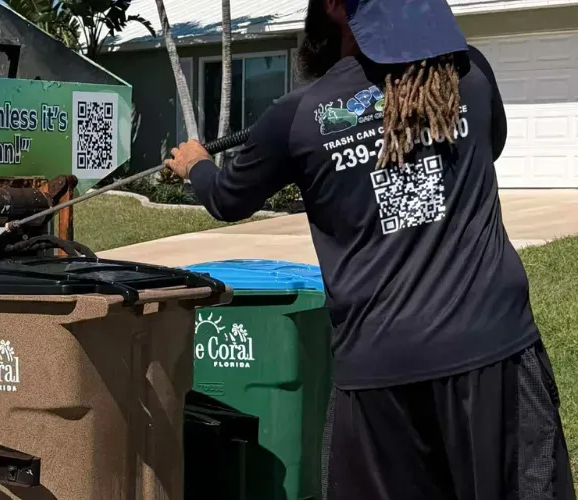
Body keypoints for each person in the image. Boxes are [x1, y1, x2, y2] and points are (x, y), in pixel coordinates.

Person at [163, 0, 575, 498]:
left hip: (381, 375)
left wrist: (196, 165)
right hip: (494, 357)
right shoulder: (472, 75)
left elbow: (227, 198)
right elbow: (490, 144)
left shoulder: (300, 118)